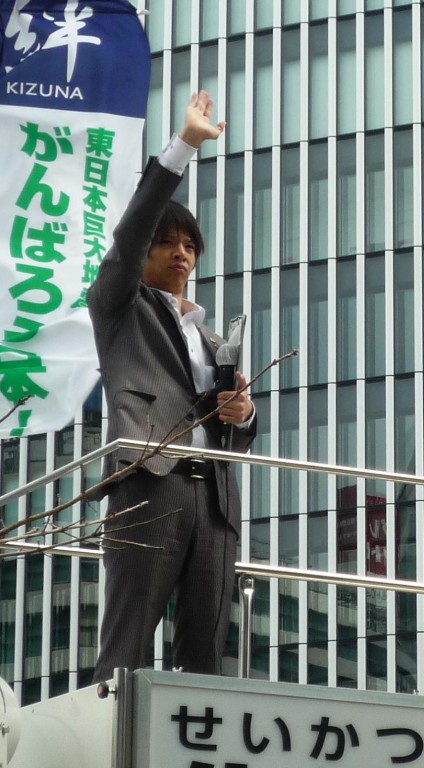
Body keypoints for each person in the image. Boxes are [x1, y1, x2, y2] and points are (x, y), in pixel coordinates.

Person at [89, 91, 257, 682]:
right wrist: (185, 144)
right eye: (167, 243)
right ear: (145, 253)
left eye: (189, 245)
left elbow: (236, 432)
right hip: (149, 483)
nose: (180, 253)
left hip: (215, 500)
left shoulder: (212, 339)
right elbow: (132, 230)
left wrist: (243, 414)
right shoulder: (120, 306)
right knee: (129, 639)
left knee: (206, 652)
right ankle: (115, 727)